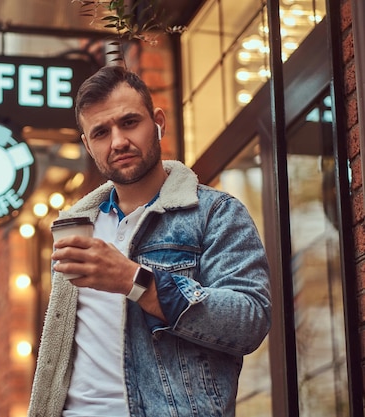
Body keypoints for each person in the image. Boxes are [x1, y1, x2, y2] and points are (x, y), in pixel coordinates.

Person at [27, 65, 271, 417]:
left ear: (158, 121)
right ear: (87, 145)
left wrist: (136, 282)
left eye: (129, 122)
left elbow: (249, 320)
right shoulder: (76, 228)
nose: (118, 142)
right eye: (100, 132)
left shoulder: (216, 213)